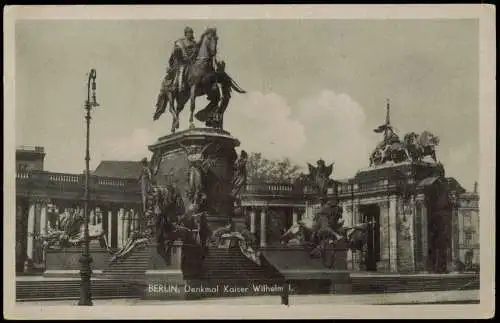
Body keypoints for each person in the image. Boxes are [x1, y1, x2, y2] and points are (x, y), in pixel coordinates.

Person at [165, 26, 199, 92]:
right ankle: (176, 85)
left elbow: (197, 53)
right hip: (182, 62)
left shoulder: (194, 43)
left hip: (192, 63)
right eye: (189, 32)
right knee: (181, 69)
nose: (191, 34)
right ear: (186, 33)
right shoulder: (180, 42)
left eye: (192, 32)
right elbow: (174, 53)